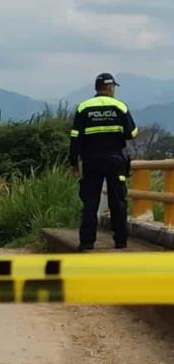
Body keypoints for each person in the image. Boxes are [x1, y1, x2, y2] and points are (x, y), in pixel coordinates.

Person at [70, 73, 138, 251]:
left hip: (91, 161)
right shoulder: (119, 106)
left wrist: (73, 163)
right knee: (118, 201)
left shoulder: (84, 107)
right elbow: (132, 133)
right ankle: (120, 241)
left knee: (90, 202)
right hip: (115, 160)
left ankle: (86, 242)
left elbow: (75, 137)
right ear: (109, 87)